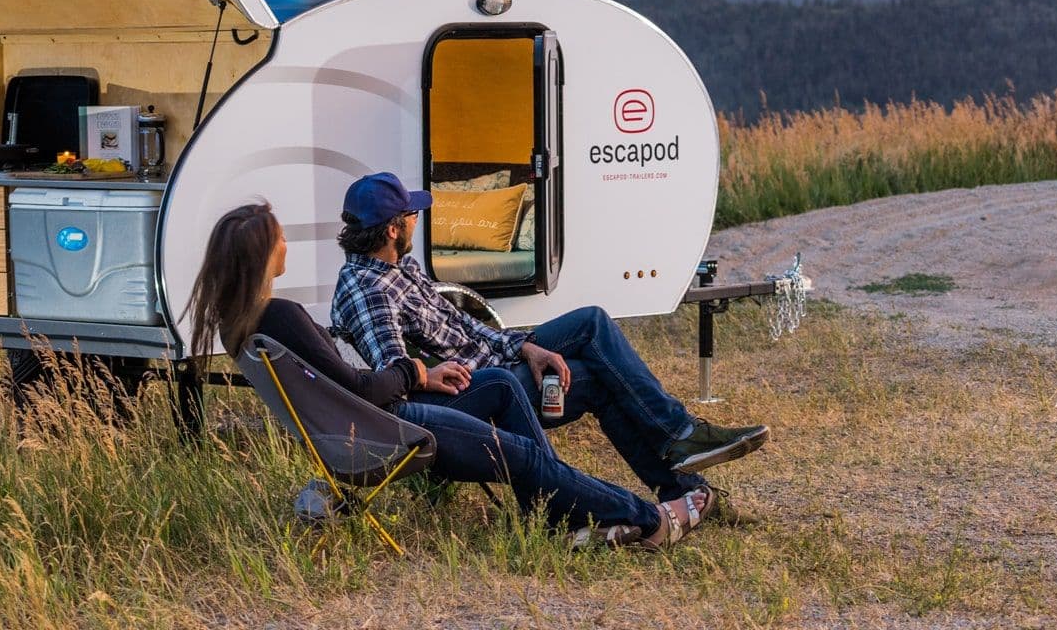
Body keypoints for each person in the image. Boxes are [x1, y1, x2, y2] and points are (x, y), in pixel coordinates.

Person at [185, 201, 708, 549]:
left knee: (505, 386)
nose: (285, 245)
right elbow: (363, 388)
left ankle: (561, 520)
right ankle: (650, 519)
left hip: (363, 425)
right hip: (389, 426)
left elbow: (348, 384)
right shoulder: (282, 317)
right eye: (278, 239)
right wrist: (415, 370)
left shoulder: (247, 327)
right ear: (262, 255)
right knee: (524, 449)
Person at [330, 172, 769, 515]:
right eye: (410, 215)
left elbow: (466, 326)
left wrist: (524, 346)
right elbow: (394, 373)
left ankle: (681, 450)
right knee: (596, 374)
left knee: (592, 324)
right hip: (481, 387)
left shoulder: (396, 268)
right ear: (391, 229)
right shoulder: (370, 290)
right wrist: (433, 373)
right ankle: (680, 460)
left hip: (497, 356)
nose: (416, 219)